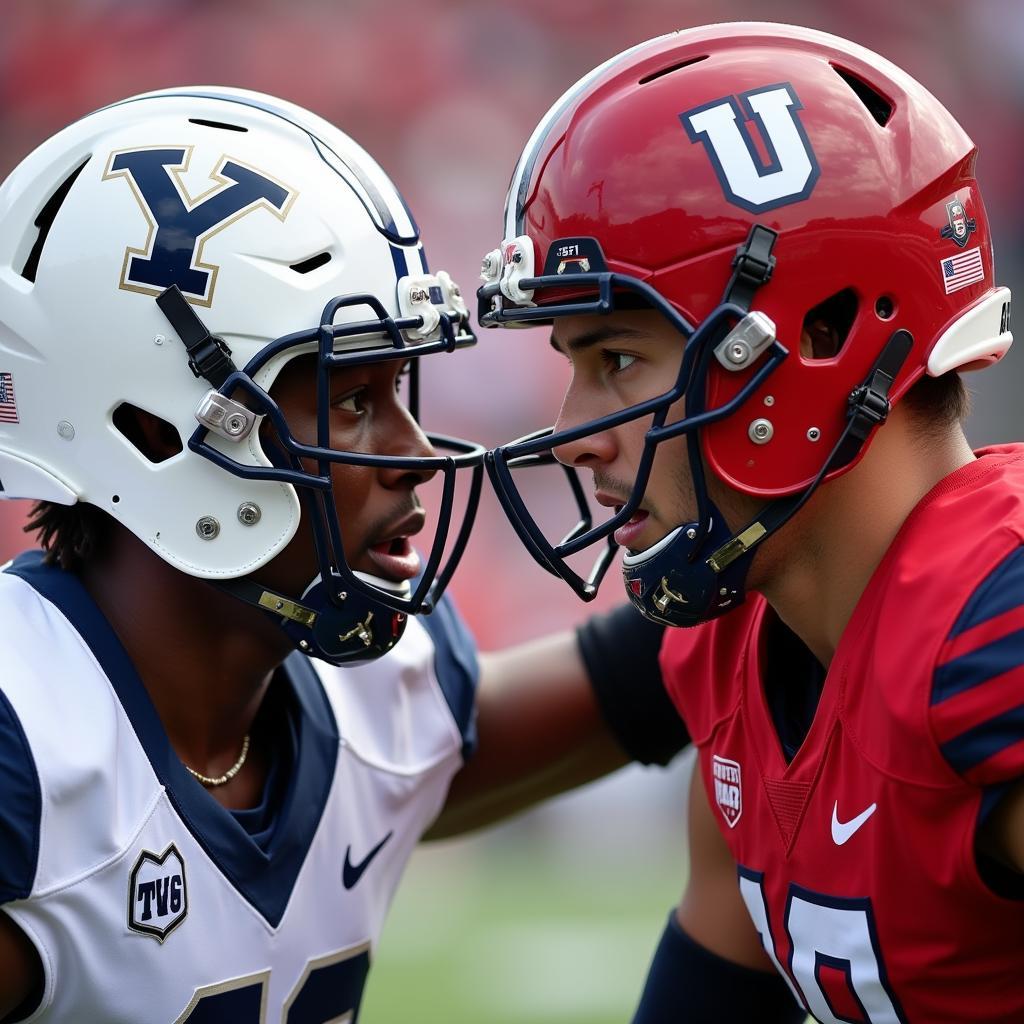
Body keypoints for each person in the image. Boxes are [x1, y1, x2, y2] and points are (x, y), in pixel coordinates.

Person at [0, 87, 685, 1022]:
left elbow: (635, 689)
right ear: (150, 434)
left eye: (401, 386)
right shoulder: (27, 743)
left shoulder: (369, 691)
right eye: (355, 399)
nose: (415, 456)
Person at [479, 21, 1022, 1024]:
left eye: (616, 359)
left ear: (820, 335)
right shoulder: (739, 633)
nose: (570, 435)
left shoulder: (995, 634)